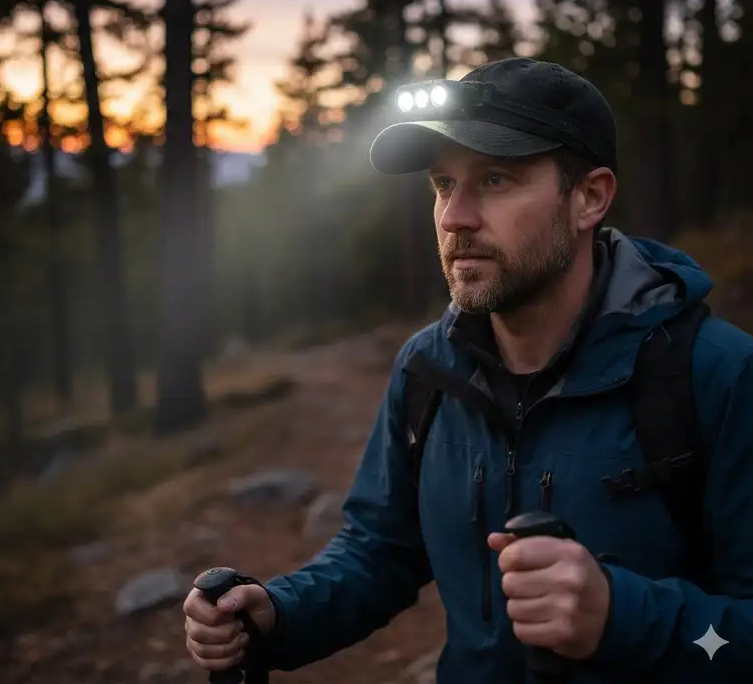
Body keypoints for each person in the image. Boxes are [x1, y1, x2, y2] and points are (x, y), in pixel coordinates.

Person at [183, 57, 753, 683]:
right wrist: (276, 612)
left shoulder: (716, 376)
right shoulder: (428, 369)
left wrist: (621, 617)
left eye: (497, 181)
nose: (456, 217)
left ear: (589, 197)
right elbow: (381, 552)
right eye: (443, 185)